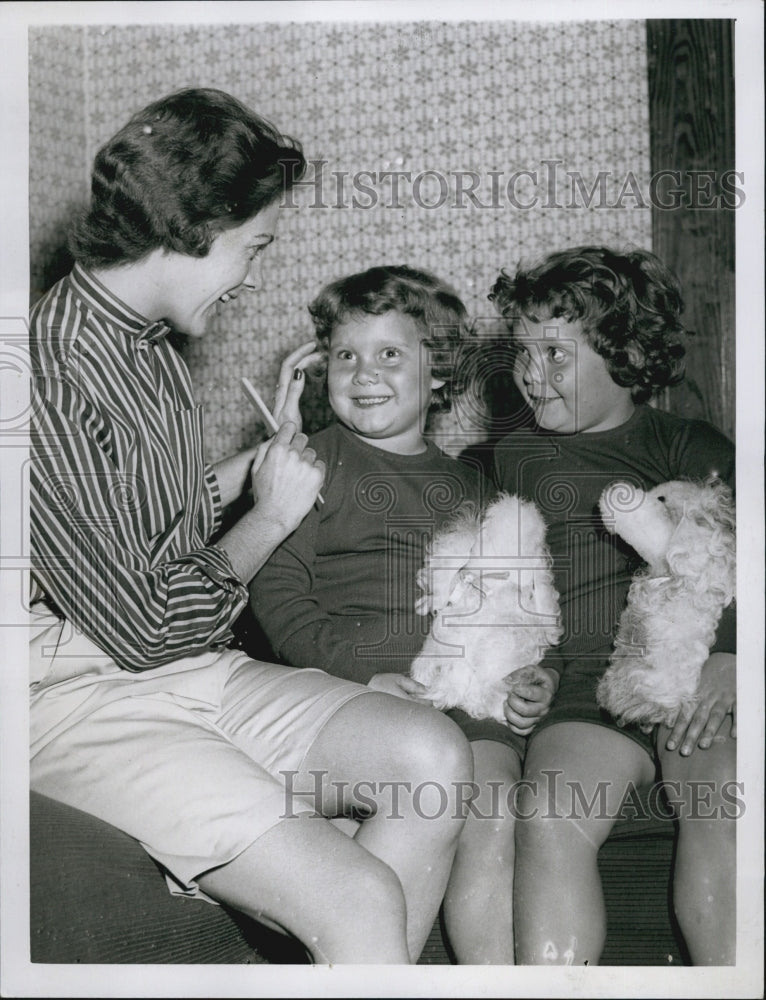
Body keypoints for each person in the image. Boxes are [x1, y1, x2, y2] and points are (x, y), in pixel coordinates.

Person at [28, 88, 475, 966]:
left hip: (189, 668)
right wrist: (269, 517)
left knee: (432, 759)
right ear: (196, 227)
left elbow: (127, 525)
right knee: (357, 897)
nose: (255, 274)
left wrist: (255, 468)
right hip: (70, 698)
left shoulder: (145, 342)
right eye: (255, 244)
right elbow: (143, 626)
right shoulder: (43, 373)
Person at [249, 264, 559, 964]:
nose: (364, 372)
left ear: (441, 372)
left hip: (465, 705)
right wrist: (365, 673)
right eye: (346, 355)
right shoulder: (314, 462)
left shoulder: (475, 486)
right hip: (353, 696)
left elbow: (510, 608)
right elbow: (276, 595)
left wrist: (529, 680)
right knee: (412, 812)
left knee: (493, 812)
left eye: (390, 354)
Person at [489, 245, 736, 965]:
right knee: (548, 813)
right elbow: (493, 585)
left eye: (555, 355)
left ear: (624, 354)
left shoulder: (690, 444)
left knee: (718, 796)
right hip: (586, 693)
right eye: (522, 353)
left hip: (695, 681)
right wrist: (516, 668)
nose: (532, 374)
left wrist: (731, 653)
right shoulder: (511, 460)